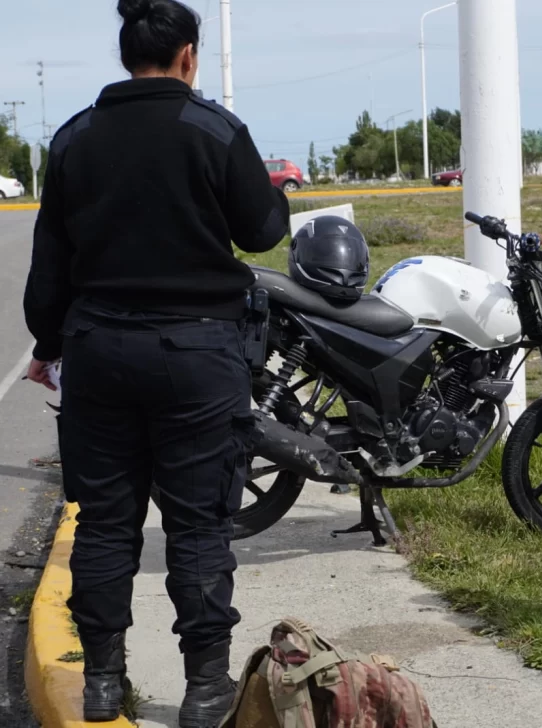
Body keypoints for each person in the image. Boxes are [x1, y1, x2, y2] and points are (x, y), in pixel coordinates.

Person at [23, 0, 289, 724]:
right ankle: (205, 691)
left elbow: (51, 267)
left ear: (125, 55)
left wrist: (47, 347)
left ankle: (105, 681)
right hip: (198, 355)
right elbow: (263, 232)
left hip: (100, 353)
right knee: (198, 525)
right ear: (189, 56)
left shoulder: (75, 138)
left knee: (105, 524)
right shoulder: (214, 129)